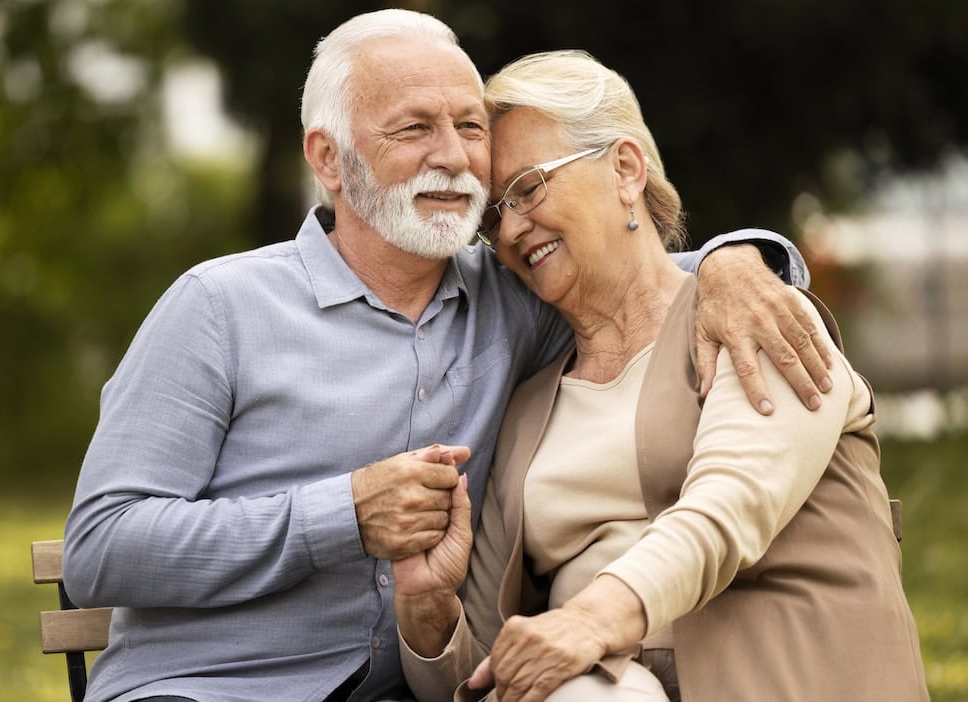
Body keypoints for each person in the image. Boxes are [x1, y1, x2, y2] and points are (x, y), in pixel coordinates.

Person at [62, 11, 830, 702]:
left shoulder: (517, 297)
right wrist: (343, 516)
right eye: (414, 129)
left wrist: (741, 259)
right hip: (204, 690)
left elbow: (644, 281)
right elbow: (100, 548)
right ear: (329, 159)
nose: (455, 158)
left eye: (470, 127)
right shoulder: (218, 308)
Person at [394, 50, 928, 702]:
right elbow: (477, 674)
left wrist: (586, 622)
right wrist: (426, 609)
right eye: (492, 214)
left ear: (625, 169)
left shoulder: (756, 317)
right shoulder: (528, 408)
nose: (510, 228)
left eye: (529, 188)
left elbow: (727, 510)